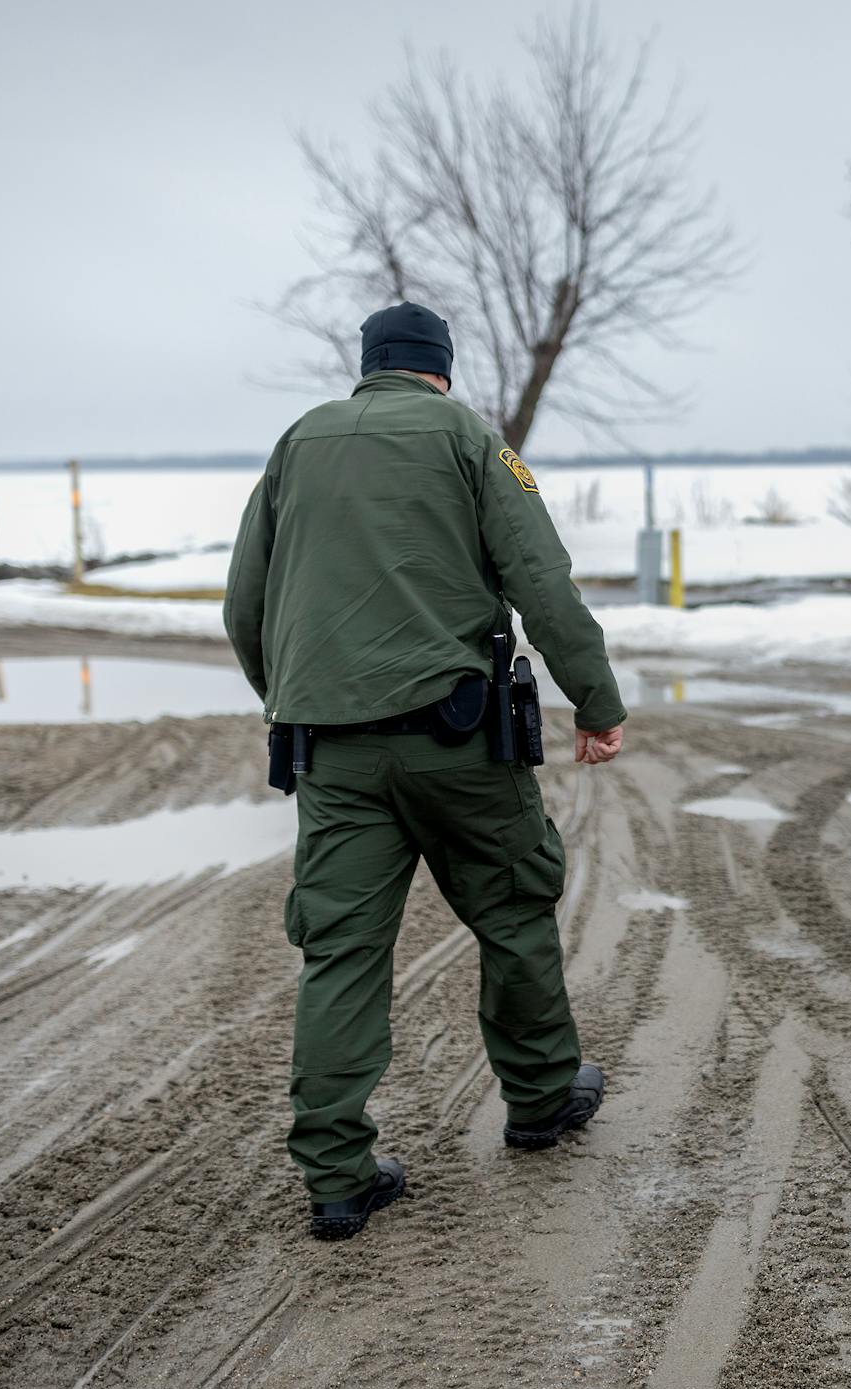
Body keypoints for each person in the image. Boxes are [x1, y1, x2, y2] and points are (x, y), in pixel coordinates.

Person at [224, 301, 628, 1241]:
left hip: (330, 750)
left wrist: (294, 693)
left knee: (341, 951)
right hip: (458, 743)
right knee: (512, 906)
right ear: (440, 368)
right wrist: (596, 703)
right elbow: (542, 581)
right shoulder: (468, 438)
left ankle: (336, 1174)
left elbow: (246, 603)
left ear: (370, 366)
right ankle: (537, 1098)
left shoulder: (297, 443)